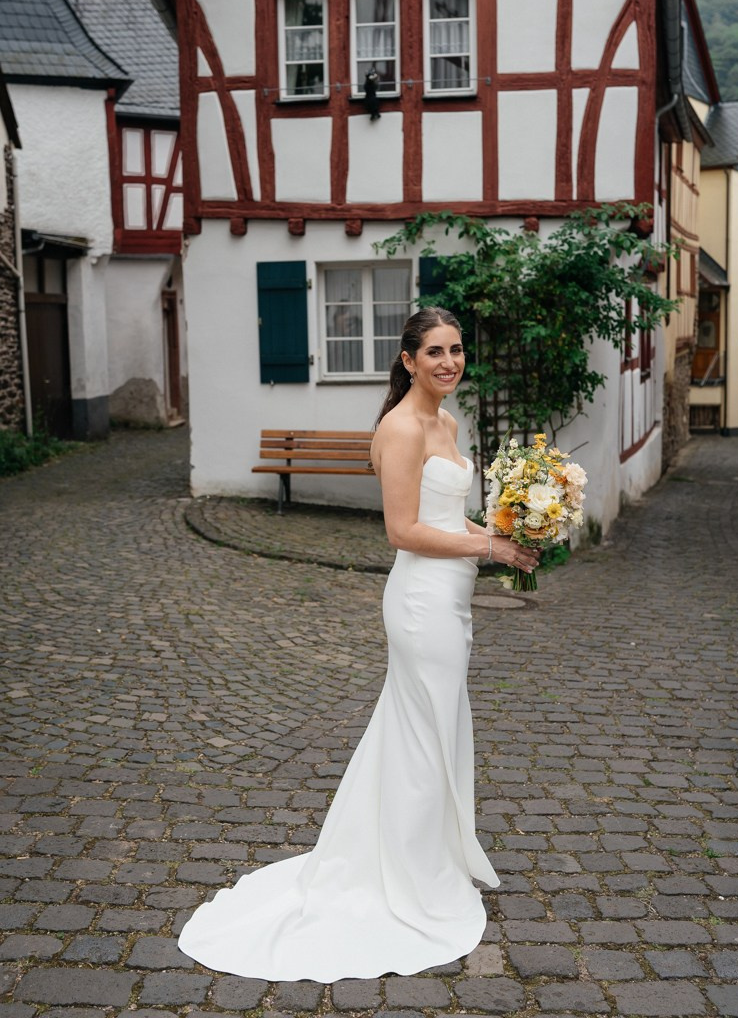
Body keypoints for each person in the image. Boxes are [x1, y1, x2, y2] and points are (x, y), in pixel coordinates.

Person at [177, 306, 538, 983]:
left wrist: (504, 530)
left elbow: (446, 514)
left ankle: (429, 856)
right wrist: (489, 546)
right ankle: (408, 876)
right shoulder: (399, 428)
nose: (449, 363)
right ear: (407, 360)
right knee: (423, 731)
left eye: (457, 350)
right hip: (421, 601)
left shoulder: (449, 423)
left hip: (453, 597)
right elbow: (402, 531)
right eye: (434, 351)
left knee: (431, 728)